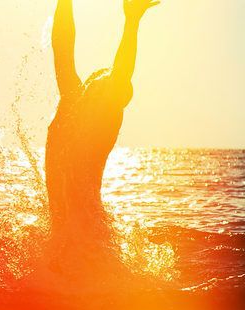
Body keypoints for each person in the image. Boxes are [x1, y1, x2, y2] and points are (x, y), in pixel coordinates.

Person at [46, 0, 159, 255]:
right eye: (100, 77)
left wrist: (132, 23)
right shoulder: (73, 102)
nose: (101, 80)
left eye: (108, 82)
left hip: (86, 228)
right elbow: (62, 48)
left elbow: (121, 71)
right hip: (67, 229)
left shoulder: (101, 122)